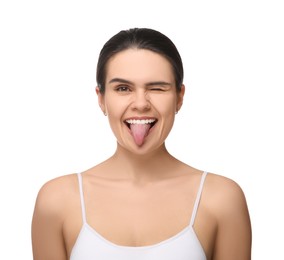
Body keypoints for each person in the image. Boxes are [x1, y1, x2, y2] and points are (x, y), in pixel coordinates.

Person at [31, 28, 252, 260]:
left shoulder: (221, 199)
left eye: (157, 88)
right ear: (101, 98)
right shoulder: (56, 201)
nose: (140, 103)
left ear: (179, 97)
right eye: (123, 88)